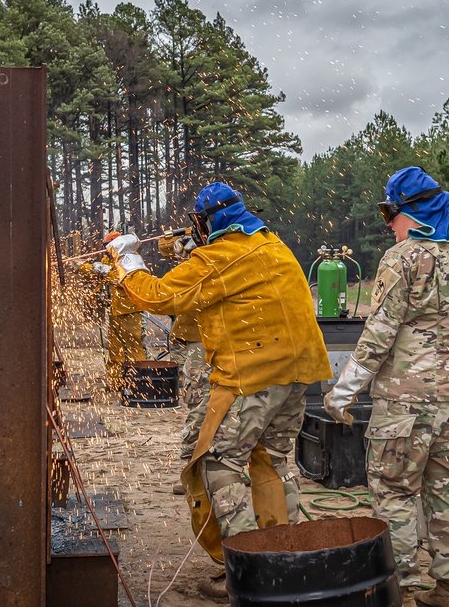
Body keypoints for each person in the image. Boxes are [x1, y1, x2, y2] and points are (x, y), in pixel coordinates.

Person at [107, 182, 332, 599]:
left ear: (208, 221)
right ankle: (286, 559)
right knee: (273, 461)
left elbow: (157, 296)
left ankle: (248, 572)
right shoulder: (271, 244)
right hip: (300, 374)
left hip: (254, 375)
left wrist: (126, 259)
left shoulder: (220, 257)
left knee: (217, 464)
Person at [324, 166, 449, 607]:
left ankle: (403, 585)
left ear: (410, 214)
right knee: (446, 485)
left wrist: (343, 391)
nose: (387, 223)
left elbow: (379, 332)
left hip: (408, 402)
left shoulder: (403, 259)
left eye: (388, 212)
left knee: (393, 488)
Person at [156, 232, 212, 495]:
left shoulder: (224, 245)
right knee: (196, 398)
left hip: (205, 338)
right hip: (185, 333)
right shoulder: (197, 237)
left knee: (203, 401)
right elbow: (164, 247)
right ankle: (203, 470)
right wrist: (184, 238)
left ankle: (196, 474)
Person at [77, 232, 146, 390]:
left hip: (129, 311)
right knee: (115, 350)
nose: (106, 250)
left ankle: (140, 383)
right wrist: (80, 267)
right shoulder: (108, 260)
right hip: (115, 311)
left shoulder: (130, 259)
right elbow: (99, 275)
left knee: (133, 347)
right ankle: (116, 383)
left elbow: (121, 279)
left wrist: (105, 271)